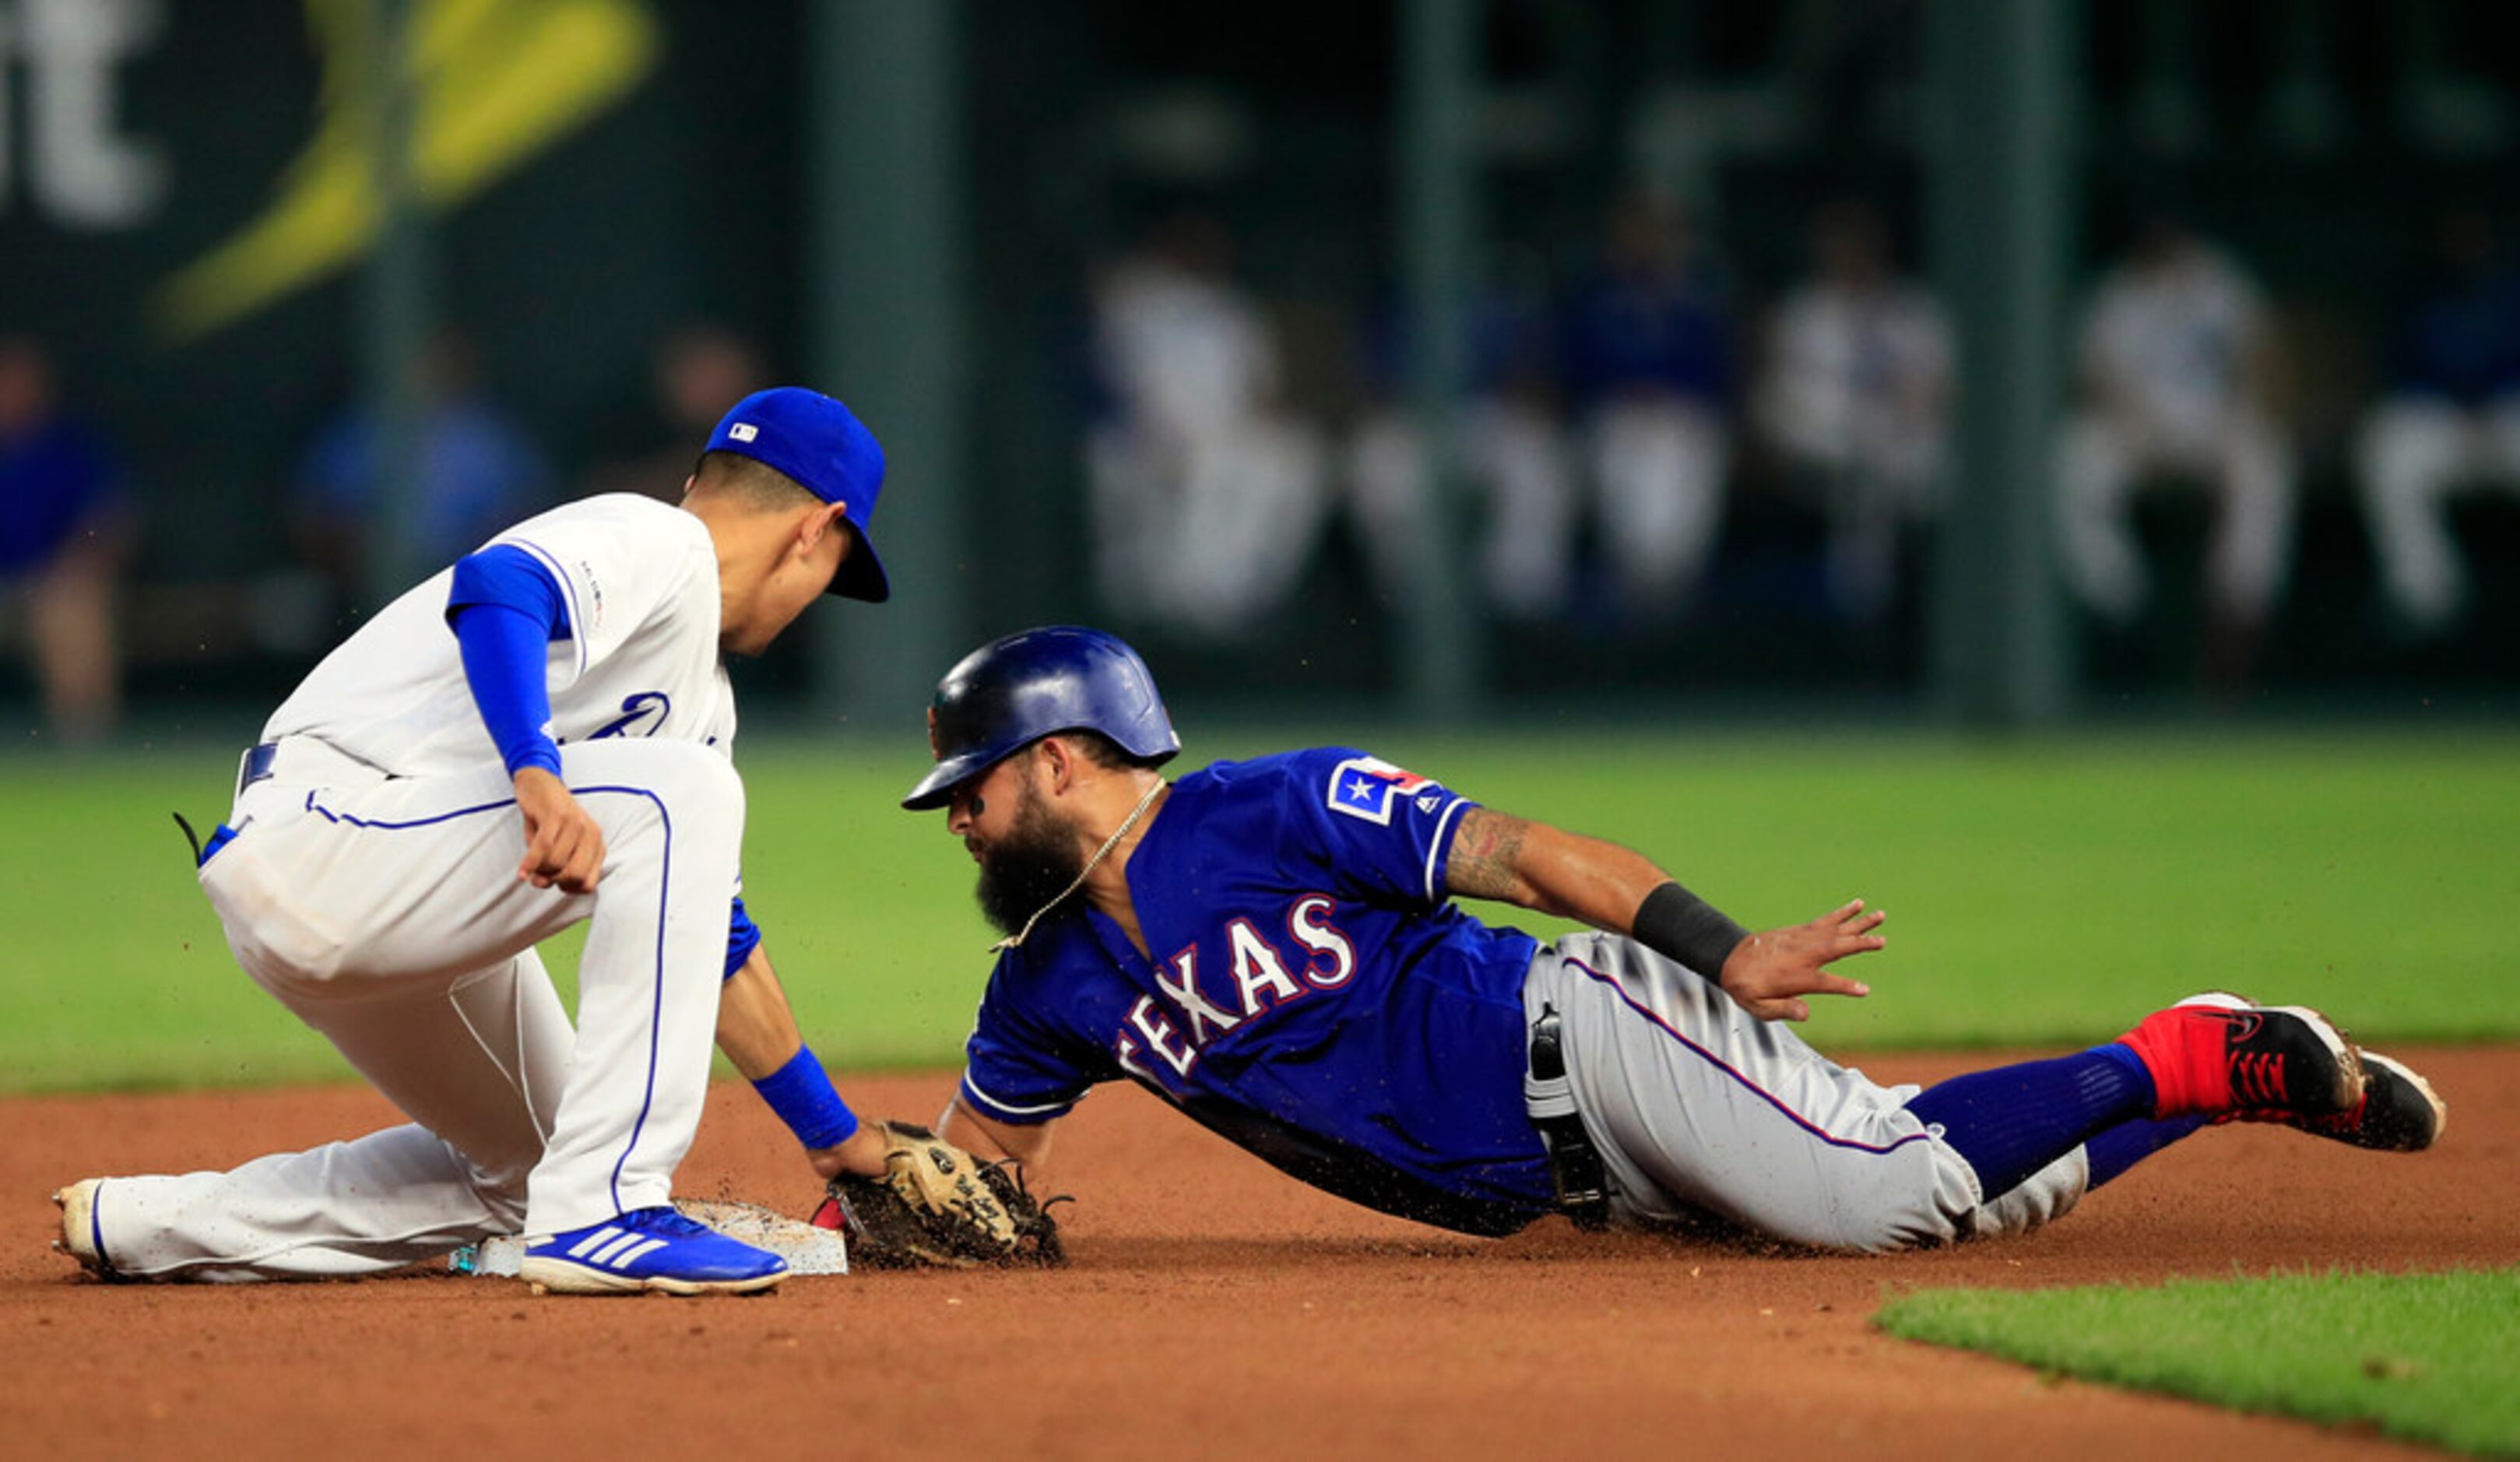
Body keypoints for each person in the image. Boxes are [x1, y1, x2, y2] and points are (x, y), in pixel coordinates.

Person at [902, 627, 2445, 1253]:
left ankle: (2175, 1049)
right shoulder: (1044, 989)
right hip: (1577, 1181)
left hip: (1589, 1034)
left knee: (1886, 1193)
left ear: (1055, 759)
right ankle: (2219, 1071)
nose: (954, 821)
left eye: (966, 788)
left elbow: (1527, 854)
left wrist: (1723, 955)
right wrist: (879, 1199)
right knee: (1961, 1199)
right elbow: (974, 1176)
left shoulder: (1272, 808)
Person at [53, 388, 906, 1295]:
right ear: (817, 528)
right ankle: (607, 1208)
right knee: (682, 794)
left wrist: (840, 1138)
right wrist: (536, 769)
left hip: (407, 893)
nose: (819, 597)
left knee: (527, 1176)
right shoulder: (659, 539)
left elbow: (715, 941)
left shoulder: (699, 702)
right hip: (328, 833)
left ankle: (147, 1224)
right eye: (835, 569)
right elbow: (500, 587)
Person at [2056, 218, 2295, 684]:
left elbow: (2264, 354)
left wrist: (2244, 411)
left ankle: (2239, 607)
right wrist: (2135, 430)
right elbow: (2092, 380)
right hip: (2137, 428)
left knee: (2264, 460)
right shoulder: (2114, 294)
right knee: (2074, 457)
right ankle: (2119, 602)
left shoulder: (2219, 278)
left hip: (2216, 423)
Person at [1082, 213, 1328, 638]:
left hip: (1225, 432)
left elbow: (1262, 394)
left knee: (1296, 457)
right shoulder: (1135, 298)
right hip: (1149, 435)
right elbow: (1124, 382)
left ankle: (1239, 595)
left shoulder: (1230, 309)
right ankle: (1187, 599)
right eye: (1192, 242)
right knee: (1210, 468)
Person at [1752, 201, 1953, 626]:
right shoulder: (1804, 310)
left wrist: (1909, 409)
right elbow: (1782, 392)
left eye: (1860, 246)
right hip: (1821, 439)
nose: (1850, 256)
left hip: (1900, 439)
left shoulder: (1913, 308)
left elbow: (1938, 387)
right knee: (1865, 474)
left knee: (1906, 467)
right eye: (1840, 247)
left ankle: (1901, 605)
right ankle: (1862, 609)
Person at [1559, 188, 1738, 623]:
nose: (1644, 243)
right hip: (1612, 417)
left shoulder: (1698, 295)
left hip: (1685, 417)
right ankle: (1641, 597)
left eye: (1654, 233)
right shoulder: (1591, 295)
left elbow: (1722, 370)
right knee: (1634, 470)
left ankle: (1669, 596)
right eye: (1632, 233)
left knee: (1683, 459)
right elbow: (1570, 366)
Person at [293, 327, 552, 613]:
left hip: (471, 590)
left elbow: (528, 512)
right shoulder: (357, 430)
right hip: (369, 594)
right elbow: (315, 518)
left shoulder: (488, 436)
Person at [2354, 209, 2520, 635]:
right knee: (2386, 450)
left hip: (2505, 418)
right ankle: (2426, 596)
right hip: (2440, 421)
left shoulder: (2509, 291)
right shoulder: (2418, 294)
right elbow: (2401, 373)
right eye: (2454, 239)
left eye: (2473, 239)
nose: (2464, 248)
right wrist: (2455, 407)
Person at [0, 336, 134, 743]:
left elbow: (112, 521)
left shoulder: (69, 447)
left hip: (50, 588)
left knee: (72, 606)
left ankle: (84, 748)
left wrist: (76, 566)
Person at [581, 323, 770, 505]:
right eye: (696, 367)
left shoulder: (772, 453)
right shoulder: (621, 442)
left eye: (714, 368)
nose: (707, 384)